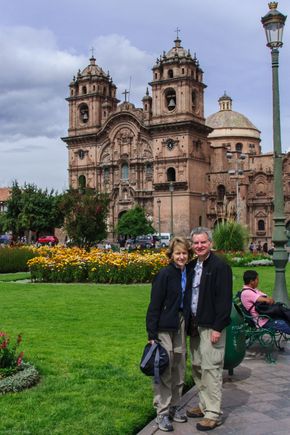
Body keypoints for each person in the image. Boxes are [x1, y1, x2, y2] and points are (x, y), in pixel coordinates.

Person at [186, 227, 232, 432]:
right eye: (196, 243)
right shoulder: (191, 266)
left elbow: (224, 300)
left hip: (211, 326)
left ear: (210, 243)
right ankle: (204, 405)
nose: (199, 246)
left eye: (203, 242)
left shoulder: (220, 266)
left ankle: (213, 413)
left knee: (211, 369)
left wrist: (217, 327)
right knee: (197, 366)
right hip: (195, 325)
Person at [146, 236, 193, 432]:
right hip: (165, 326)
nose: (181, 257)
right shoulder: (164, 275)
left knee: (179, 367)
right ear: (171, 255)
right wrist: (151, 332)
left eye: (184, 253)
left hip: (181, 323)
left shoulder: (188, 273)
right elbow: (154, 305)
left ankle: (174, 405)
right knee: (165, 368)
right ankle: (162, 413)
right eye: (177, 253)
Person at [240, 270, 290, 334]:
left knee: (285, 316)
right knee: (283, 323)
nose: (258, 281)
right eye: (257, 279)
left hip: (266, 317)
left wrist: (268, 300)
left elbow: (268, 299)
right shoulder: (247, 293)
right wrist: (267, 300)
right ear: (251, 281)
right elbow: (268, 300)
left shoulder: (253, 290)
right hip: (262, 322)